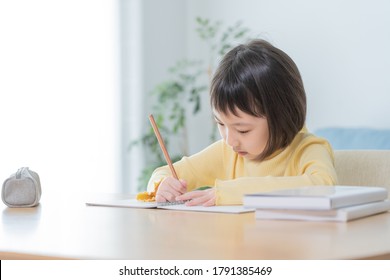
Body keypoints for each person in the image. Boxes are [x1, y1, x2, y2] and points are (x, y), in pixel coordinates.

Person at [146, 39, 338, 206]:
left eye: (243, 130)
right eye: (220, 124)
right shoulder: (226, 152)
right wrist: (162, 185)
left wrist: (233, 192)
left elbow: (324, 185)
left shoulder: (308, 149)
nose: (230, 141)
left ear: (282, 117)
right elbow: (163, 173)